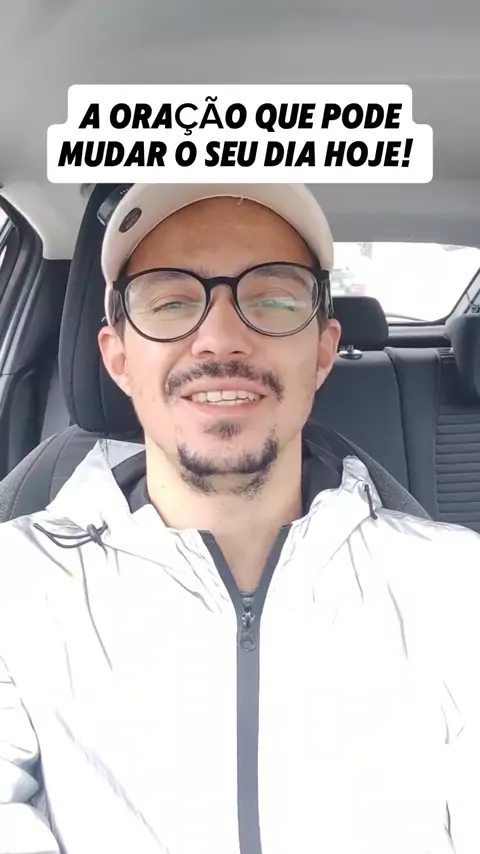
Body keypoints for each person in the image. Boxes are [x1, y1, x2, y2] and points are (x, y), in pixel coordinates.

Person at [1, 182, 480, 854]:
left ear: (323, 350)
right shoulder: (18, 585)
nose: (221, 339)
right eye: (171, 302)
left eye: (272, 300)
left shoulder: (456, 585)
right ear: (118, 359)